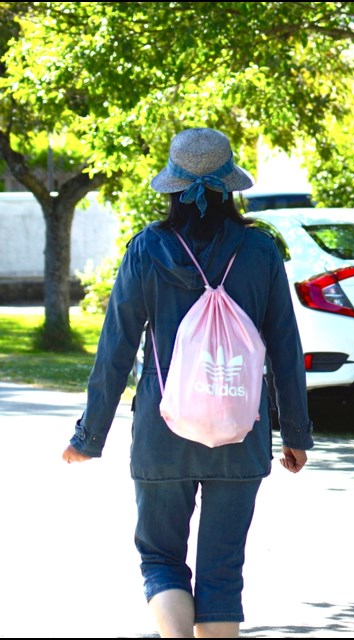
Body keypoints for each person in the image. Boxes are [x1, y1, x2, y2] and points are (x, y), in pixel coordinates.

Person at [62, 127, 315, 637]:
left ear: (174, 187)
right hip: (241, 432)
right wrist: (295, 435)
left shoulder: (146, 249)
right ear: (230, 187)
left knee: (160, 559)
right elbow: (285, 348)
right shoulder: (261, 250)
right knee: (223, 571)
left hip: (162, 432)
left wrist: (88, 438)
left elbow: (115, 350)